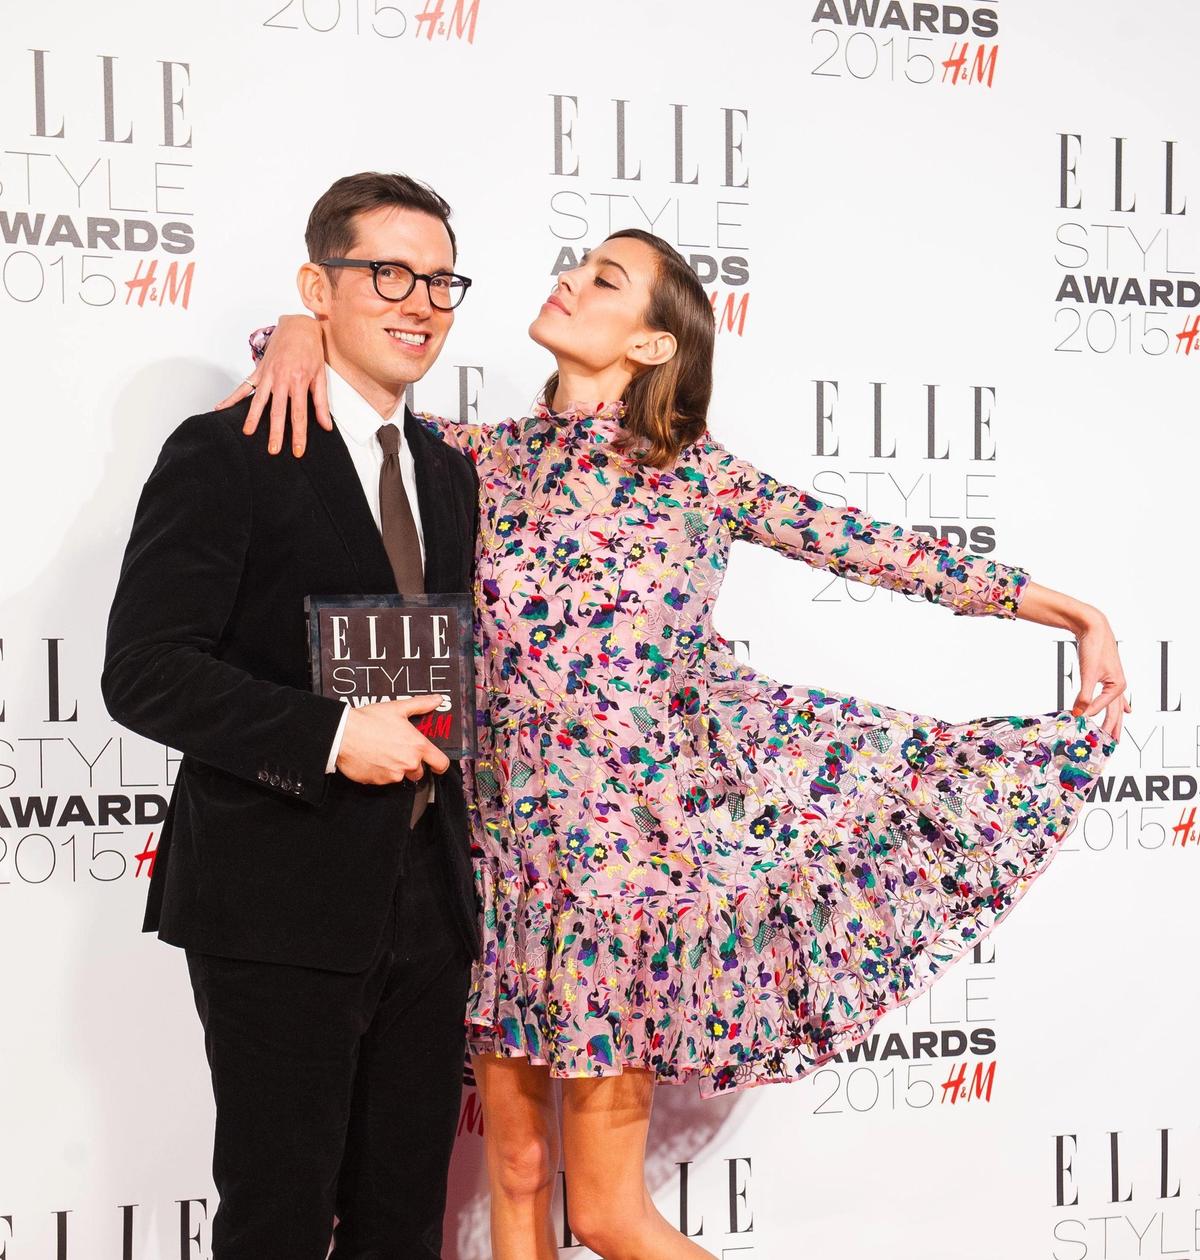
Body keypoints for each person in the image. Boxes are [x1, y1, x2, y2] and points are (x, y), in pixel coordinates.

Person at [227, 228, 1127, 1260]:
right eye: (575, 265)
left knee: (608, 1215)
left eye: (604, 279)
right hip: (498, 868)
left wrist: (1066, 610)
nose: (568, 281)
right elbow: (344, 396)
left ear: (654, 346)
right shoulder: (474, 459)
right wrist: (295, 327)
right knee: (513, 1177)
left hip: (625, 881)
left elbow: (880, 550)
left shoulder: (695, 476)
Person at [102, 172, 481, 1260]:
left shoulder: (450, 473)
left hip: (427, 897)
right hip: (275, 897)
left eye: (441, 280)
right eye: (388, 274)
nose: (419, 301)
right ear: (319, 287)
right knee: (276, 1218)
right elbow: (147, 671)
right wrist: (328, 735)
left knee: (404, 1223)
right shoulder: (225, 451)